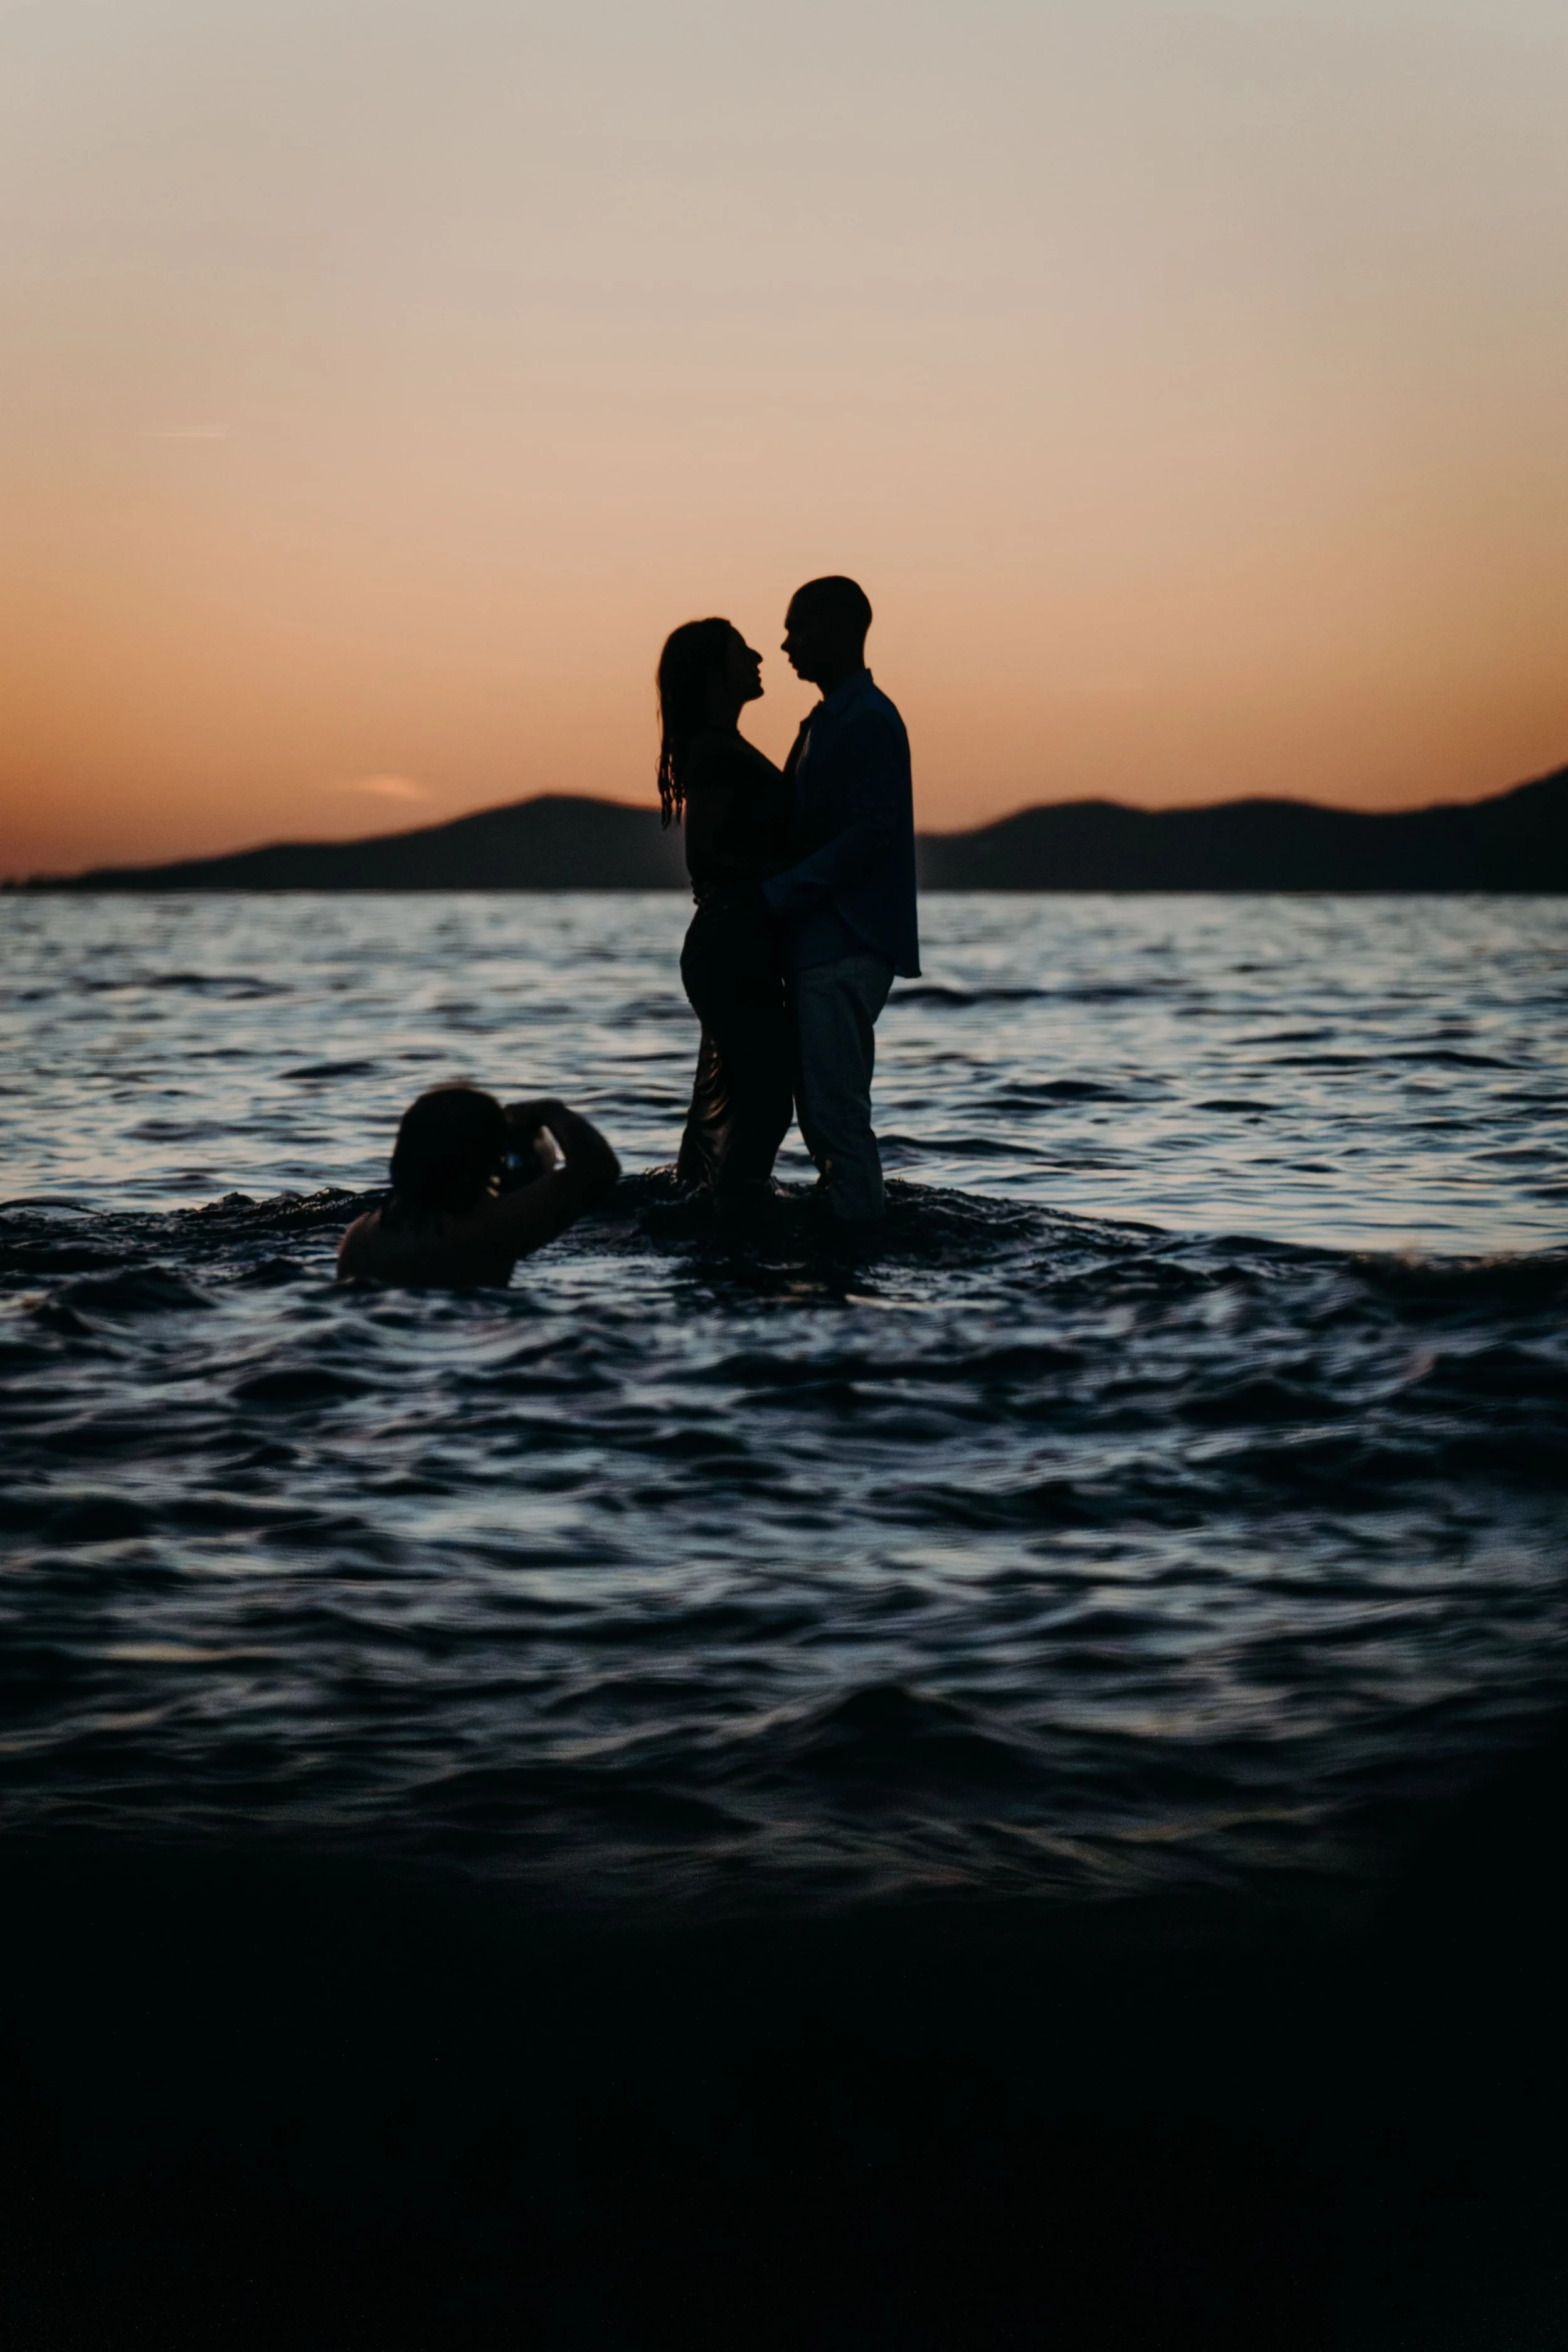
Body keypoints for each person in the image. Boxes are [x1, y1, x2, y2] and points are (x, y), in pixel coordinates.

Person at [762, 576, 919, 1227]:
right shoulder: (828, 721)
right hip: (821, 943)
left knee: (835, 1118)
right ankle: (849, 1234)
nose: (785, 645)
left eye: (796, 629)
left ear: (836, 628)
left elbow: (874, 833)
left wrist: (777, 894)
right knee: (824, 1116)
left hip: (844, 943)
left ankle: (859, 1244)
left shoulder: (867, 720)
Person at [657, 617, 795, 1227]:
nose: (759, 656)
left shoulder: (723, 746)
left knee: (729, 1109)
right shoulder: (715, 751)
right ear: (716, 673)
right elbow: (706, 858)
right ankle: (733, 1233)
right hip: (730, 949)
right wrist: (802, 869)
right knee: (762, 1104)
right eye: (743, 650)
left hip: (738, 948)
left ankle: (707, 1218)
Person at [336, 1084, 620, 1287]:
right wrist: (549, 1110)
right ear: (483, 1161)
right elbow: (597, 1170)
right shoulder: (486, 1230)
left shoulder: (359, 1233)